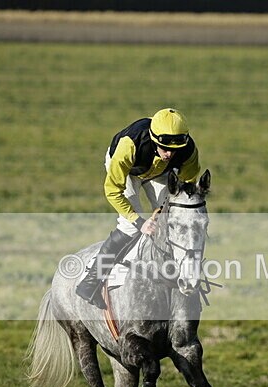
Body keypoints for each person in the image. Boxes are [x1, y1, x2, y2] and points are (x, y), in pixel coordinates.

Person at [75, 108, 201, 309]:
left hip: (160, 173)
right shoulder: (129, 145)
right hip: (128, 171)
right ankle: (90, 282)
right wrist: (139, 222)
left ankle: (180, 274)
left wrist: (164, 210)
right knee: (129, 227)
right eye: (164, 148)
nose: (170, 154)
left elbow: (187, 187)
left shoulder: (188, 150)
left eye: (175, 149)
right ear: (154, 139)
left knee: (172, 219)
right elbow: (113, 190)